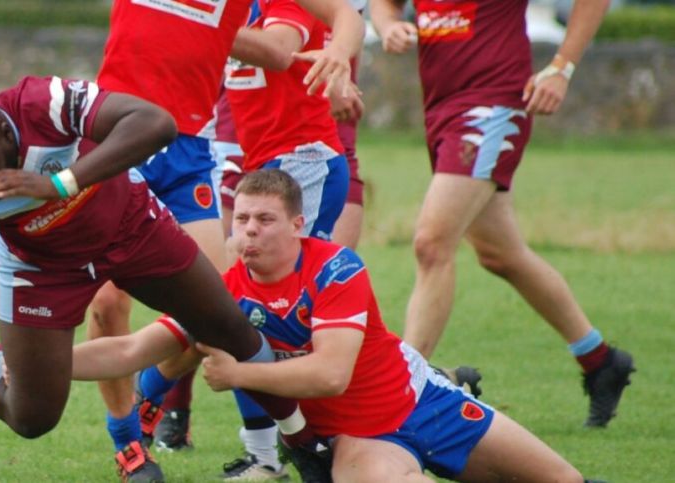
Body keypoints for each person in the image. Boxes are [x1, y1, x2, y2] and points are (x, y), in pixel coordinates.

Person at [0, 77, 326, 481]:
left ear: (3, 129)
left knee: (231, 328)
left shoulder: (41, 103)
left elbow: (155, 123)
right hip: (40, 267)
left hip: (132, 228)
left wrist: (59, 183)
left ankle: (304, 447)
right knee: (31, 418)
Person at [58, 169, 595, 483]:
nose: (249, 232)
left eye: (265, 220)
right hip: (360, 441)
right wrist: (41, 363)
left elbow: (331, 374)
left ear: (296, 225)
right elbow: (131, 349)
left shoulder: (335, 267)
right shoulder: (225, 295)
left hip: (428, 401)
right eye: (241, 219)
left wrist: (241, 374)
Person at [85, 0, 366, 479]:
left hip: (298, 164)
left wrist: (195, 25)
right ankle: (144, 421)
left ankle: (278, 450)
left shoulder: (266, 8)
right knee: (217, 307)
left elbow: (290, 46)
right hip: (196, 149)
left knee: (248, 308)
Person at [368, 0, 635, 428]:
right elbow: (385, 4)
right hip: (442, 110)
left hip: (491, 106)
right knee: (500, 254)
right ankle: (601, 361)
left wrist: (562, 67)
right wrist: (387, 26)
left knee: (431, 243)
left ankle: (404, 389)